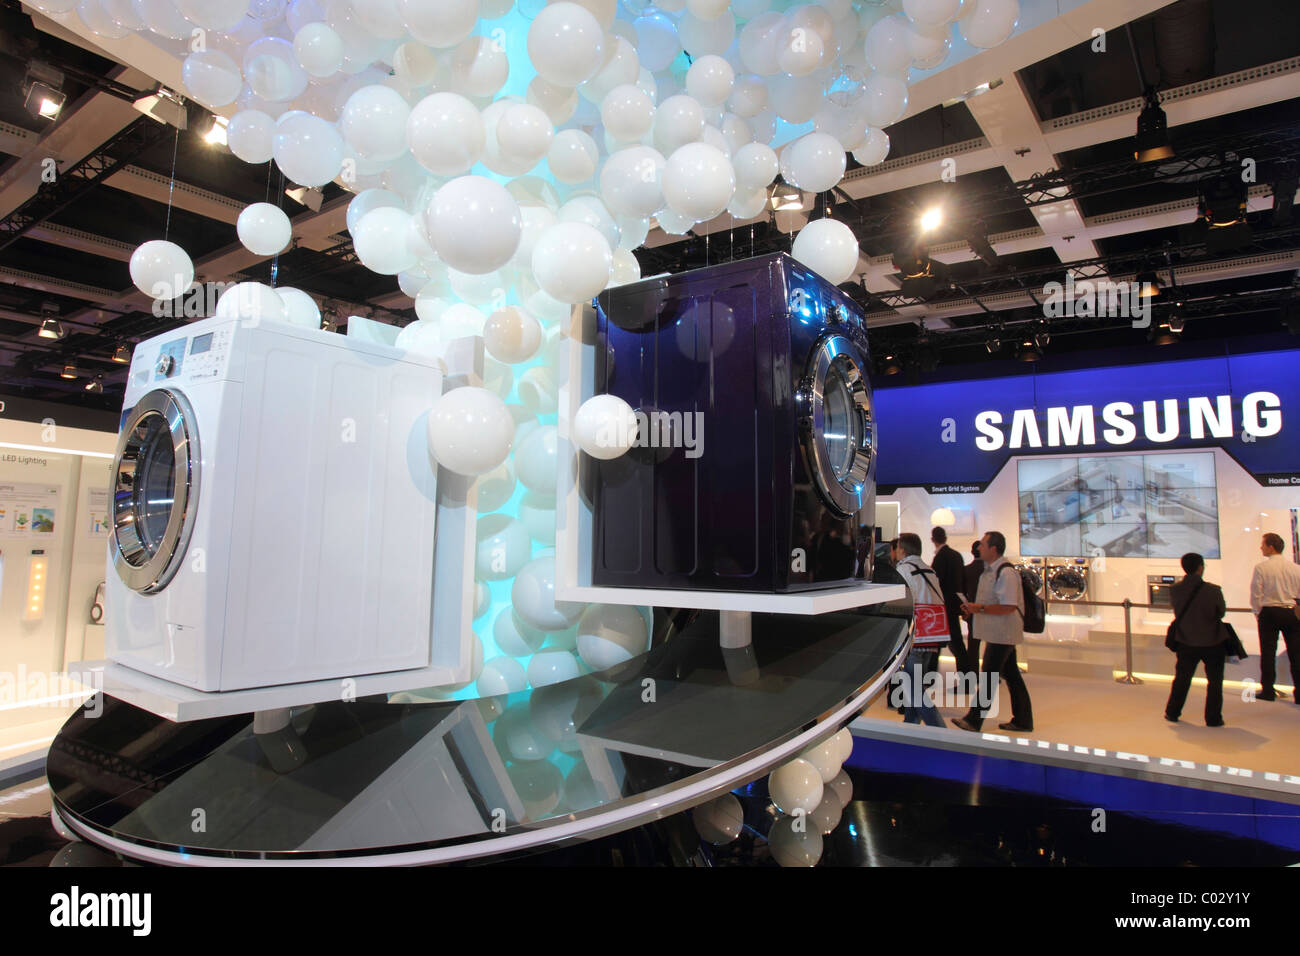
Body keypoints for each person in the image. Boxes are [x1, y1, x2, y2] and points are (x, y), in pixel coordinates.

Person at [953, 531, 1034, 733]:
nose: (978, 547)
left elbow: (1008, 606)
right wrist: (974, 608)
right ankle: (1023, 720)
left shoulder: (1005, 573)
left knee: (989, 675)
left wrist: (978, 608)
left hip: (1003, 633)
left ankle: (974, 719)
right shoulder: (991, 570)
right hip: (999, 632)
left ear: (993, 549)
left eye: (982, 544)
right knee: (1011, 675)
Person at [1165, 552, 1228, 726]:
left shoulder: (1175, 589)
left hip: (1186, 641)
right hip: (1212, 641)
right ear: (1200, 568)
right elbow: (1221, 612)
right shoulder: (1213, 590)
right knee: (1215, 681)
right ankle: (1213, 717)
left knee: (1182, 679)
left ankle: (1172, 711)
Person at [892, 533, 947, 728]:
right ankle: (910, 726)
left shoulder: (904, 569)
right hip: (933, 634)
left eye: (897, 547)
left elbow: (901, 602)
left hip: (916, 634)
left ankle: (940, 730)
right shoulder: (928, 569)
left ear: (903, 550)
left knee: (913, 688)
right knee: (915, 683)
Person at [1249, 532, 1300, 702]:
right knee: (1296, 654)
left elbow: (1256, 593)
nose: (1260, 547)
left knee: (1268, 653)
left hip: (1270, 612)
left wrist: (1258, 612)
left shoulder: (1262, 568)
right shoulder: (1295, 568)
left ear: (1271, 547)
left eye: (1263, 544)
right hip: (1290, 611)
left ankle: (1268, 690)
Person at [930, 526, 974, 677]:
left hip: (943, 606)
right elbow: (962, 581)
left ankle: (964, 678)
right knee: (956, 643)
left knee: (949, 642)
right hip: (954, 604)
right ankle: (966, 677)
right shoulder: (956, 555)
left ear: (932, 539)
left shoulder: (940, 557)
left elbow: (936, 582)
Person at [962, 540, 985, 674]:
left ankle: (973, 673)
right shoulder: (990, 571)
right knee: (993, 644)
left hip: (972, 611)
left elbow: (962, 592)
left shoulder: (966, 570)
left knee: (973, 645)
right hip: (990, 610)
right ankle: (995, 673)